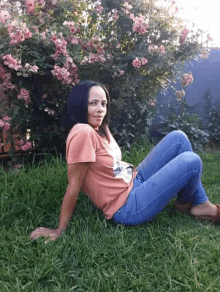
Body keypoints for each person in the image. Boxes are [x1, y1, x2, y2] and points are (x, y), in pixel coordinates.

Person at [30, 80, 220, 242]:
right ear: (80, 104)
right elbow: (73, 185)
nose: (100, 110)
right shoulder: (83, 132)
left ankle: (187, 202)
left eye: (103, 104)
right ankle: (200, 206)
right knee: (191, 161)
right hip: (128, 205)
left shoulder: (99, 128)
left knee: (178, 138)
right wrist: (59, 230)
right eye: (93, 103)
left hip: (134, 179)